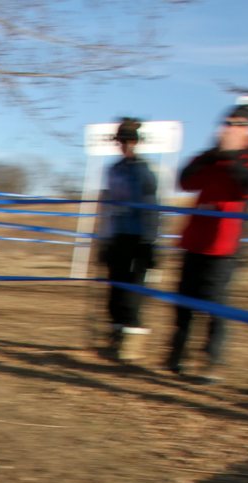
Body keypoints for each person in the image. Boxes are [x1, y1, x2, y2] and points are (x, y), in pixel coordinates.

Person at [165, 105, 248, 382]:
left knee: (215, 306)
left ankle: (212, 362)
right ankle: (176, 356)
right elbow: (186, 181)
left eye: (238, 123)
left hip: (224, 246)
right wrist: (215, 154)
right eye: (227, 122)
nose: (230, 128)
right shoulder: (209, 157)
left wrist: (232, 156)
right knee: (183, 302)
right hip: (194, 240)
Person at [95, 118, 159, 362]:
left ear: (136, 142)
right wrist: (104, 239)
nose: (125, 145)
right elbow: (108, 206)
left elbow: (151, 208)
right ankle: (116, 337)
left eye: (129, 141)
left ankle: (131, 345)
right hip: (117, 235)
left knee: (132, 292)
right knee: (115, 289)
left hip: (138, 237)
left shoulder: (144, 172)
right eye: (122, 141)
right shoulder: (114, 170)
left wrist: (149, 242)